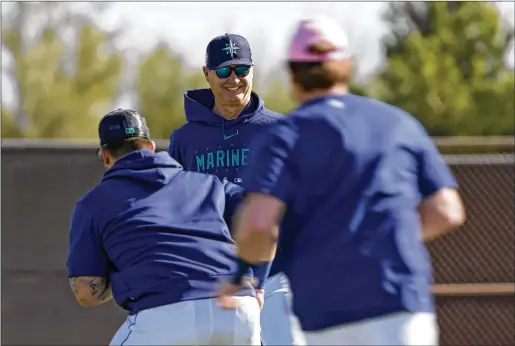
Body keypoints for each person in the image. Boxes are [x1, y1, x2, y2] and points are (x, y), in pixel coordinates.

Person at [218, 16, 466, 346]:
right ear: (346, 65)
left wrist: (237, 276)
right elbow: (447, 211)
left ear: (293, 74)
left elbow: (260, 223)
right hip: (400, 305)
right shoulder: (397, 123)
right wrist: (383, 237)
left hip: (327, 309)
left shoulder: (283, 136)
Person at [66, 109, 271, 345]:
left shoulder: (94, 203)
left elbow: (85, 292)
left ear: (104, 155)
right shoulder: (208, 184)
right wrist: (259, 285)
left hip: (166, 318)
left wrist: (131, 272)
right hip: (238, 311)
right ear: (151, 146)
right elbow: (264, 219)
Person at [168, 33, 305, 345]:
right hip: (212, 281)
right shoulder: (185, 139)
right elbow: (176, 208)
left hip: (276, 275)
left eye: (242, 70)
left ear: (252, 71)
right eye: (223, 71)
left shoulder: (280, 130)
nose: (234, 79)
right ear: (207, 74)